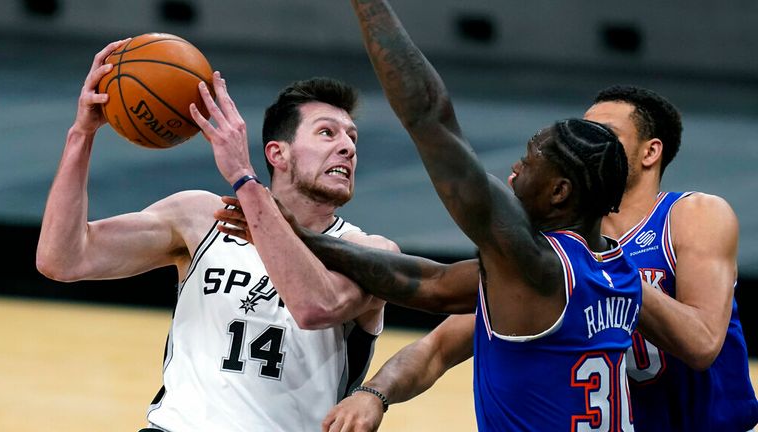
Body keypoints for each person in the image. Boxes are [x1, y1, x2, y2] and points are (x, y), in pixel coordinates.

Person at [222, 2, 642, 431]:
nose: (514, 172)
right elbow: (433, 285)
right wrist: (304, 239)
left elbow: (429, 116)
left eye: (529, 162)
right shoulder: (620, 269)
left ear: (559, 192)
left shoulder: (533, 265)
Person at [35, 39, 399, 431]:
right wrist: (82, 133)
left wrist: (244, 178)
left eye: (352, 138)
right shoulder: (200, 218)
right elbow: (62, 259)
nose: (346, 147)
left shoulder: (370, 251)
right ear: (278, 154)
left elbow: (315, 308)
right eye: (327, 133)